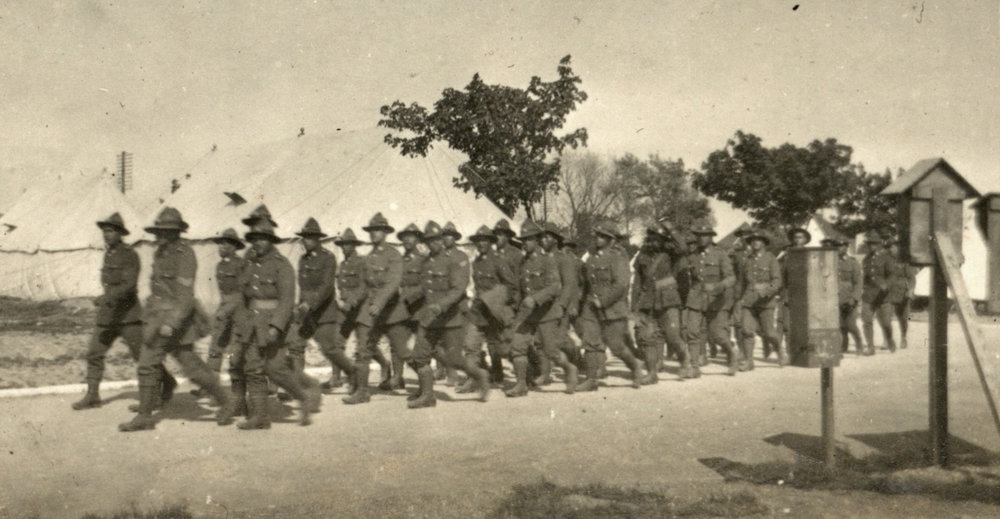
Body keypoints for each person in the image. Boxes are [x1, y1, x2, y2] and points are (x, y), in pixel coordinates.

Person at [119, 208, 231, 432]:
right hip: (157, 316)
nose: (159, 235)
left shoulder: (185, 254)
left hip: (173, 321)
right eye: (158, 230)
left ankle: (144, 415)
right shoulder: (161, 252)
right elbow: (158, 288)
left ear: (176, 232)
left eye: (165, 231)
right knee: (190, 365)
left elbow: (185, 295)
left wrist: (172, 323)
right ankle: (226, 400)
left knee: (150, 364)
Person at [229, 220, 320, 430]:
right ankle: (260, 417)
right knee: (253, 369)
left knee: (275, 369)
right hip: (251, 324)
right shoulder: (249, 264)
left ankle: (303, 396)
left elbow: (287, 299)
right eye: (254, 239)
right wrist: (242, 322)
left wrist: (276, 327)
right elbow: (242, 293)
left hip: (272, 324)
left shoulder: (282, 265)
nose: (257, 243)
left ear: (271, 241)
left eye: (262, 238)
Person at [73, 213, 169, 410]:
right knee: (94, 353)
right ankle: (92, 395)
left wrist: (106, 298)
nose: (106, 235)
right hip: (108, 316)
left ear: (120, 233)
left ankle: (163, 388)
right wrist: (106, 300)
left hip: (128, 317)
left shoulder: (129, 254)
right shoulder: (108, 254)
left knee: (142, 357)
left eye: (110, 231)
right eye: (104, 231)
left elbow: (129, 285)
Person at [407, 221, 488, 408]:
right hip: (429, 318)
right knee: (419, 355)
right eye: (429, 241)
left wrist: (441, 305)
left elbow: (459, 288)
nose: (433, 243)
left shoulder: (454, 260)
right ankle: (428, 396)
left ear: (442, 240)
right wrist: (407, 299)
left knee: (454, 360)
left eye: (436, 239)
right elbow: (424, 287)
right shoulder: (427, 262)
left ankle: (480, 376)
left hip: (450, 318)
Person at [504, 220, 577, 396]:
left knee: (551, 351)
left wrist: (535, 299)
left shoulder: (548, 261)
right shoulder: (522, 263)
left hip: (546, 313)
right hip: (527, 314)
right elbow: (520, 289)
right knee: (517, 346)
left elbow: (555, 287)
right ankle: (521, 384)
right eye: (523, 240)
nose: (525, 243)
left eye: (528, 240)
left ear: (536, 241)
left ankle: (570, 370)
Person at [345, 213, 409, 404]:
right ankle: (363, 392)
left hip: (391, 311)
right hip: (370, 310)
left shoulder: (393, 255)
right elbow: (364, 285)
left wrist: (379, 303)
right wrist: (352, 300)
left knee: (402, 351)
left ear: (386, 233)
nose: (374, 234)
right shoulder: (368, 258)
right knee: (363, 348)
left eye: (378, 230)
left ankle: (425, 386)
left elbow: (393, 282)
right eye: (372, 231)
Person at [288, 218, 352, 398]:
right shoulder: (302, 260)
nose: (305, 241)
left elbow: (326, 287)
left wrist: (311, 304)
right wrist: (300, 307)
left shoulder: (328, 257)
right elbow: (303, 287)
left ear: (317, 239)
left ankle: (348, 375)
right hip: (306, 311)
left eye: (309, 238)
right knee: (296, 344)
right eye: (304, 237)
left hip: (324, 311)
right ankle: (299, 385)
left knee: (330, 348)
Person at [577, 221, 645, 390]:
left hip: (612, 309)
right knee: (591, 342)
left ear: (612, 240)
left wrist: (604, 301)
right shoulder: (592, 257)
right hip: (591, 307)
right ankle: (591, 379)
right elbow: (586, 282)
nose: (598, 239)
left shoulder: (618, 258)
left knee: (616, 346)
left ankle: (635, 367)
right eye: (597, 235)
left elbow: (621, 285)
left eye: (603, 236)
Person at [190, 228, 246, 402]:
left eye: (225, 243)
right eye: (220, 243)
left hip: (238, 311)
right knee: (215, 348)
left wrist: (226, 310)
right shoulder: (220, 266)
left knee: (235, 353)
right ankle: (210, 388)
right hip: (224, 309)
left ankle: (236, 394)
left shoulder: (241, 265)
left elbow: (241, 293)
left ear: (234, 246)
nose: (221, 246)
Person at [632, 222, 692, 381]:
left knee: (673, 337)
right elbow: (637, 283)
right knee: (647, 337)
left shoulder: (670, 252)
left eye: (657, 239)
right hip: (648, 301)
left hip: (668, 300)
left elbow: (684, 248)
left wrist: (671, 228)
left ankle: (685, 362)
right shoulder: (642, 256)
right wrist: (634, 308)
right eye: (650, 238)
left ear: (663, 240)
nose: (653, 242)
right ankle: (652, 373)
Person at [461, 225, 516, 396]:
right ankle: (473, 379)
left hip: (495, 312)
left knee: (503, 349)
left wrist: (495, 300)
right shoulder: (476, 263)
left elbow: (511, 286)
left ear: (491, 242)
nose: (481, 244)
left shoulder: (499, 260)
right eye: (478, 241)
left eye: (485, 240)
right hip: (479, 312)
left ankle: (525, 373)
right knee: (470, 345)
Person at [682, 220, 738, 376]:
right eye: (699, 235)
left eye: (705, 235)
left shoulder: (720, 254)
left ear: (711, 237)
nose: (701, 238)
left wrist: (721, 285)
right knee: (692, 332)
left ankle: (732, 355)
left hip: (716, 299)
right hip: (695, 298)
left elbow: (731, 277)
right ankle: (694, 367)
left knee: (718, 335)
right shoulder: (692, 256)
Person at [736, 228, 782, 371]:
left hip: (765, 301)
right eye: (753, 241)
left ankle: (780, 350)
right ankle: (749, 361)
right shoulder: (746, 260)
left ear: (764, 243)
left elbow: (777, 280)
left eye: (758, 240)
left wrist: (768, 291)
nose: (755, 243)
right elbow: (741, 283)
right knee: (746, 330)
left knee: (768, 332)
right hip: (749, 300)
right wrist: (737, 299)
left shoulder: (771, 259)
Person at [491, 219, 523, 383]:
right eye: (496, 234)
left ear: (508, 237)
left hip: (511, 302)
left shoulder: (516, 254)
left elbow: (519, 280)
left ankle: (529, 370)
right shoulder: (492, 254)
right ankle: (496, 371)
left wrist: (517, 303)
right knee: (493, 337)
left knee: (511, 338)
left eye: (502, 235)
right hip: (494, 302)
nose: (498, 238)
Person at [823, 237, 865, 355]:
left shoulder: (852, 263)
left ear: (846, 247)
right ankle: (842, 347)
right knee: (839, 325)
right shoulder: (829, 261)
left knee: (851, 325)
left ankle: (859, 343)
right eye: (837, 245)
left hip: (848, 298)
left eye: (842, 246)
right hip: (833, 298)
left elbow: (858, 282)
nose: (839, 248)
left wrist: (854, 298)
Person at [776, 227, 811, 363]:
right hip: (789, 293)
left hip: (805, 295)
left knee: (803, 325)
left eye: (801, 237)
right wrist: (782, 292)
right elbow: (781, 274)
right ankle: (787, 354)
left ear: (806, 240)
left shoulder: (809, 254)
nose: (798, 240)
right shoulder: (787, 255)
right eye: (796, 237)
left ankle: (803, 353)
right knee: (785, 324)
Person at [861, 230, 896, 354]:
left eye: (874, 244)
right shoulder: (866, 259)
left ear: (879, 244)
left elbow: (892, 274)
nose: (872, 246)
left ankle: (890, 339)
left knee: (886, 323)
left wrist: (886, 284)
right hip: (868, 295)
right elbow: (865, 276)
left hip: (883, 295)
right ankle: (870, 347)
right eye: (870, 244)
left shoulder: (886, 258)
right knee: (867, 321)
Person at [886, 235, 917, 350]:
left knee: (903, 319)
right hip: (888, 294)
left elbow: (911, 278)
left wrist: (910, 290)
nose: (891, 249)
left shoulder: (904, 261)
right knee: (886, 317)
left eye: (893, 246)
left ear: (897, 247)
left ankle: (903, 337)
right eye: (889, 247)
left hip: (902, 294)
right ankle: (887, 340)